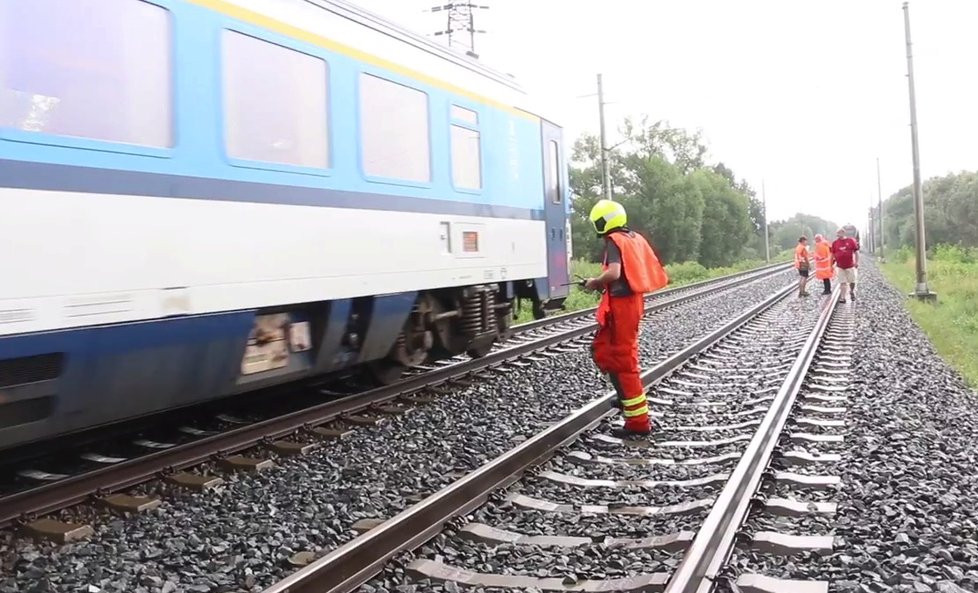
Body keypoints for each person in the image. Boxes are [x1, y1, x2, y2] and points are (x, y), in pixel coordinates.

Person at [584, 200, 669, 436]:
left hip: (622, 306)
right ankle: (625, 398)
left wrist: (595, 282)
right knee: (609, 352)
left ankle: (638, 423)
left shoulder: (614, 240)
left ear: (603, 222)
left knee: (623, 360)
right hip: (632, 302)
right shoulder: (634, 238)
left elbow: (614, 273)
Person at [830, 227, 859, 303]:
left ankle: (851, 291)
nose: (837, 234)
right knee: (842, 282)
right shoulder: (835, 243)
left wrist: (856, 262)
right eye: (837, 233)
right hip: (840, 266)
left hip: (850, 265)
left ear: (843, 233)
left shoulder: (851, 241)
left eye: (839, 233)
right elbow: (832, 255)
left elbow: (856, 252)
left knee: (852, 281)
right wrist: (831, 265)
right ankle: (843, 297)